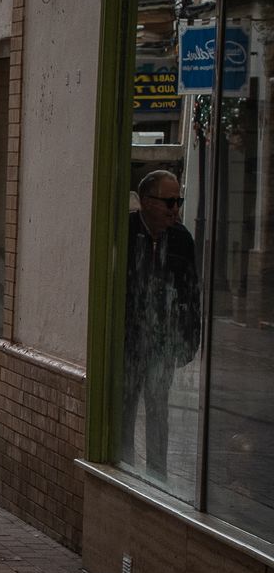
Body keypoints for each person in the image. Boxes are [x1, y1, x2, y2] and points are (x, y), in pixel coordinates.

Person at [122, 169, 200, 480]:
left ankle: (157, 476)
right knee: (125, 408)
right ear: (145, 201)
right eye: (168, 202)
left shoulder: (180, 239)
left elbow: (191, 293)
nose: (174, 209)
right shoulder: (126, 232)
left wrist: (189, 341)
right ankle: (124, 469)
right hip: (128, 343)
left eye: (178, 201)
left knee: (158, 409)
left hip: (161, 343)